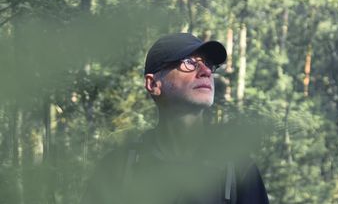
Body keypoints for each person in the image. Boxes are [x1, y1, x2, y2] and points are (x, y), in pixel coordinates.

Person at [82, 33, 269, 204]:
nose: (206, 71)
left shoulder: (238, 172)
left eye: (209, 64)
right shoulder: (118, 169)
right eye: (189, 62)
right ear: (153, 83)